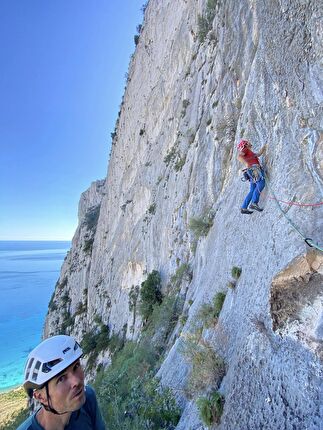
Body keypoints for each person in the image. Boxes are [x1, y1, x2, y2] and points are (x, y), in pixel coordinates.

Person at [17, 335, 106, 430]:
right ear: (41, 397)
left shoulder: (87, 398)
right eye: (61, 378)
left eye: (76, 367)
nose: (76, 381)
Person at [237, 139, 267, 214]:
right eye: (248, 142)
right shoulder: (245, 149)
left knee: (252, 189)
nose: (250, 142)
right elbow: (239, 157)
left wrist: (264, 147)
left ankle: (244, 207)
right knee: (261, 183)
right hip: (254, 169)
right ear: (245, 144)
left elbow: (258, 154)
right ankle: (254, 202)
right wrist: (246, 164)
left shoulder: (250, 152)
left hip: (250, 171)